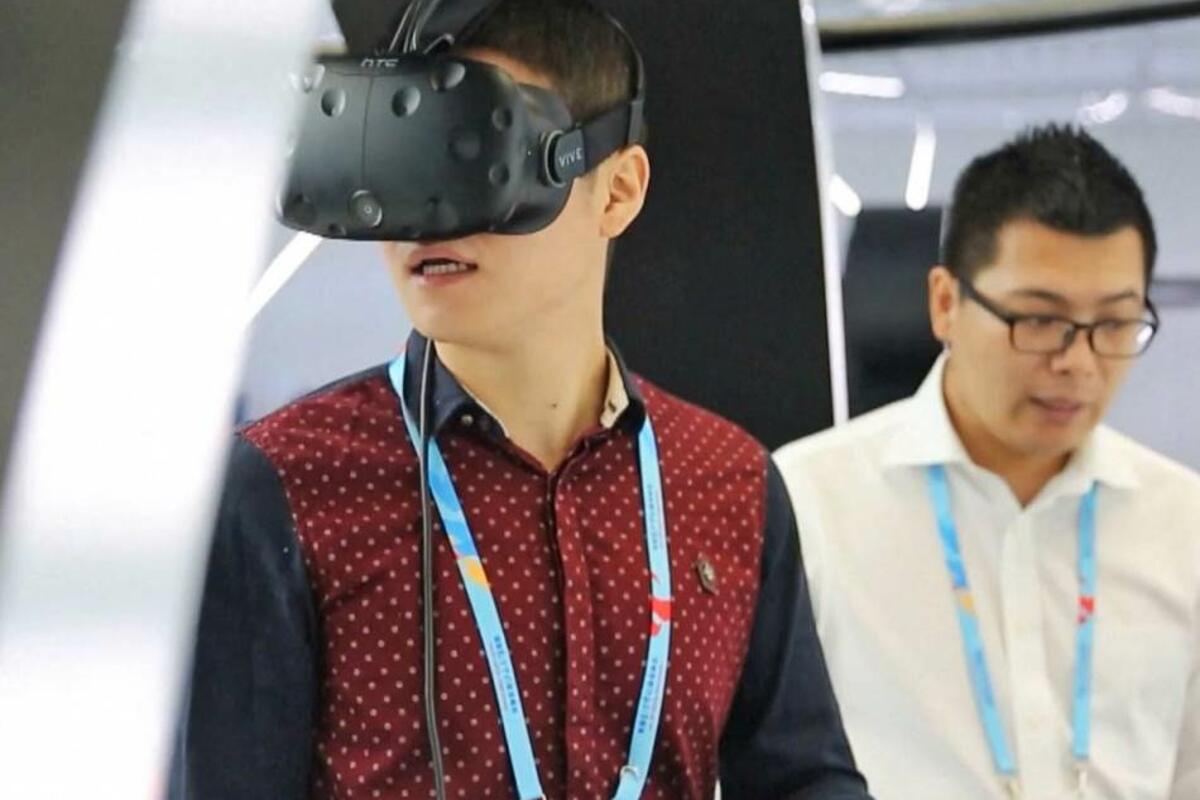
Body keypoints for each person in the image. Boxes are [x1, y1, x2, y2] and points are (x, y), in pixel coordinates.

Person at [170, 1, 872, 798]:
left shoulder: (726, 483)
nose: (427, 220)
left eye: (474, 154)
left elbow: (801, 779)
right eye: (398, 166)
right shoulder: (289, 486)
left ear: (617, 190)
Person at [776, 125, 1200, 799]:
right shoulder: (805, 504)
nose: (1078, 361)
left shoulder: (1183, 524)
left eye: (1115, 324)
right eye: (1039, 319)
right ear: (946, 303)